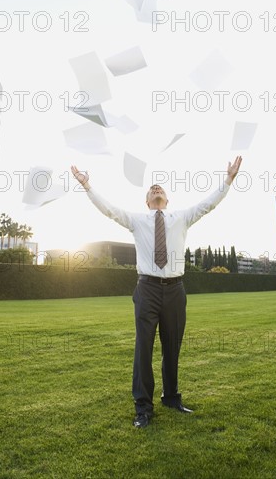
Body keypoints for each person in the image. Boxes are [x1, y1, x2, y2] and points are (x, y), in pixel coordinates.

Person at [71, 156, 242, 428]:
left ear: (167, 199)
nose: (156, 189)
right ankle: (143, 408)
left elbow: (208, 204)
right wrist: (87, 186)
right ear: (147, 201)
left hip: (175, 290)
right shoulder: (137, 220)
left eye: (160, 188)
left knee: (172, 348)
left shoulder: (181, 218)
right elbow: (110, 210)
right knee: (144, 349)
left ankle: (171, 397)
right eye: (152, 189)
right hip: (147, 289)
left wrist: (228, 180)